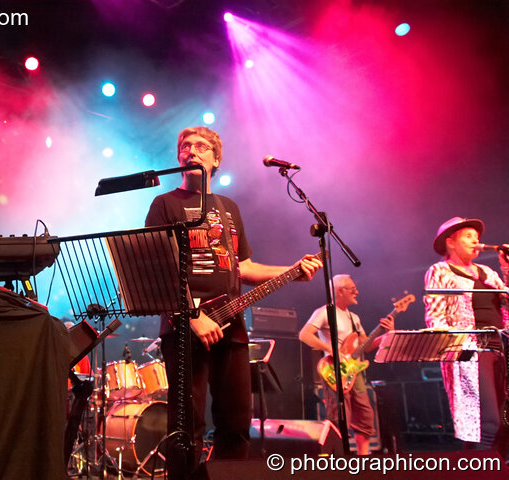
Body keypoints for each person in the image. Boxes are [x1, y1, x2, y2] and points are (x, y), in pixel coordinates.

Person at [144, 126, 322, 476]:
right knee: (186, 427)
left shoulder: (229, 208)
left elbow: (244, 267)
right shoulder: (164, 204)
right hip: (185, 326)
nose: (191, 151)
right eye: (185, 146)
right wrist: (193, 315)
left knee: (237, 422)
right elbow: (154, 270)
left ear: (216, 159)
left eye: (200, 146)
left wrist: (291, 270)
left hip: (233, 325)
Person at [424, 217, 509, 456]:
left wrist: (507, 268)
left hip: (500, 348)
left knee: (505, 423)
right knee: (487, 422)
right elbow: (435, 315)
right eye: (468, 236)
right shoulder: (440, 271)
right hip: (469, 351)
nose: (476, 241)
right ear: (451, 242)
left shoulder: (489, 273)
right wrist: (453, 350)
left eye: (477, 237)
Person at [299, 274, 393, 455]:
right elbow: (305, 335)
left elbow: (366, 346)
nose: (357, 292)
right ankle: (337, 460)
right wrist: (331, 349)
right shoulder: (324, 312)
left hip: (354, 371)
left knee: (365, 416)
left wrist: (387, 334)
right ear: (340, 291)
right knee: (339, 418)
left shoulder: (354, 318)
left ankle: (363, 458)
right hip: (334, 372)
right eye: (352, 289)